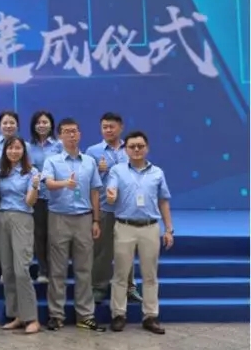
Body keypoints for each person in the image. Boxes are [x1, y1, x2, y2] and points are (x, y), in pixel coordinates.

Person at [106, 130, 174, 335]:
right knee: (120, 274)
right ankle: (118, 314)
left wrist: (169, 229)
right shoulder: (117, 171)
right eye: (132, 146)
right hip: (124, 226)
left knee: (150, 275)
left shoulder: (157, 173)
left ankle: (150, 316)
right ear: (125, 149)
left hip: (150, 228)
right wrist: (111, 197)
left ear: (147, 148)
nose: (136, 149)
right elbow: (111, 192)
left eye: (140, 146)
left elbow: (163, 201)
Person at [42, 118, 105, 332]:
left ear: (80, 135)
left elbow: (95, 191)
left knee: (84, 269)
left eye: (74, 131)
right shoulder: (52, 161)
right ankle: (56, 315)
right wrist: (65, 184)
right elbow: (48, 183)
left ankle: (85, 315)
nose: (71, 135)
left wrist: (96, 220)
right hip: (59, 218)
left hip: (84, 218)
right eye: (67, 131)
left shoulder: (89, 162)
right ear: (59, 136)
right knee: (57, 269)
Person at [86, 112, 141, 305]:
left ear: (121, 127)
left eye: (112, 126)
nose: (108, 130)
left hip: (128, 208)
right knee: (102, 251)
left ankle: (129, 288)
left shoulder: (131, 149)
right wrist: (99, 171)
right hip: (104, 208)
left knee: (127, 250)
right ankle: (98, 287)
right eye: (104, 127)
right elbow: (87, 181)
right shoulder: (93, 151)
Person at [0, 136, 42, 334]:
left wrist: (36, 186)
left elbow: (30, 201)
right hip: (2, 218)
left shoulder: (31, 172)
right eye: (10, 148)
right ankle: (17, 315)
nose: (14, 151)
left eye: (18, 148)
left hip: (22, 218)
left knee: (21, 269)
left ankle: (32, 318)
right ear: (5, 151)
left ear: (24, 151)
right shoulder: (0, 172)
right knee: (7, 270)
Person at [26, 110, 61, 284]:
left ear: (51, 125)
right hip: (37, 196)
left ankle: (56, 270)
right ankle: (43, 270)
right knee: (39, 234)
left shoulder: (59, 145)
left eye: (45, 122)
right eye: (38, 122)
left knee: (55, 235)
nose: (42, 125)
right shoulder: (27, 146)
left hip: (56, 196)